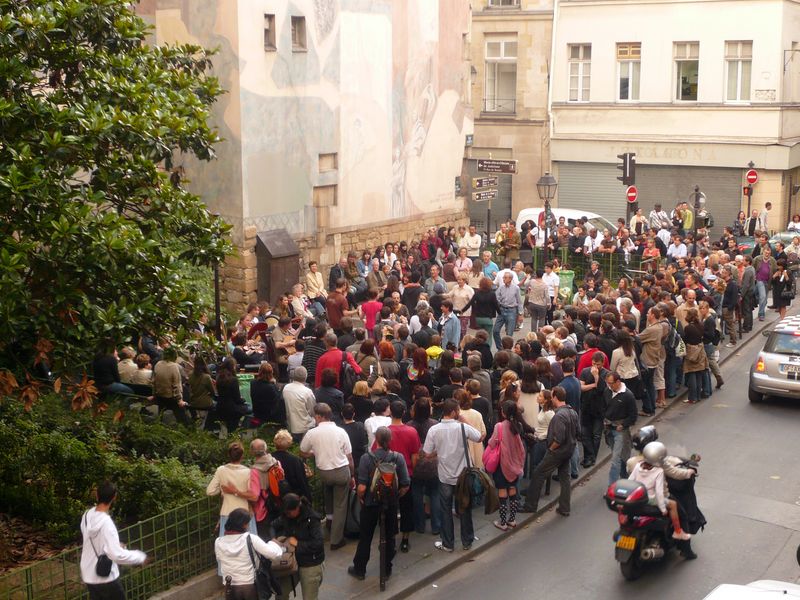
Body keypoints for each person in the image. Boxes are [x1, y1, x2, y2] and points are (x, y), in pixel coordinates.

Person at [347, 426, 410, 580]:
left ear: (376, 439)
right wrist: (396, 496)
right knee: (389, 537)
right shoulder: (398, 457)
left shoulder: (366, 458)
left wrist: (362, 498)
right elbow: (406, 484)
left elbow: (361, 487)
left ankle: (360, 569)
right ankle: (387, 569)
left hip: (370, 504)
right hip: (390, 504)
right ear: (390, 440)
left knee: (365, 537)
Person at [422, 398, 482, 552]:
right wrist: (464, 420)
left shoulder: (434, 430)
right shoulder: (463, 427)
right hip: (463, 476)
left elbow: (427, 454)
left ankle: (448, 543)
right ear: (455, 412)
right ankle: (467, 540)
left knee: (445, 509)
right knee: (465, 508)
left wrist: (439, 452)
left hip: (445, 476)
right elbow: (479, 436)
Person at [299, 403, 355, 550]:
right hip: (341, 471)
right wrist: (353, 475)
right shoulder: (341, 431)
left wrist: (314, 453)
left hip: (324, 472)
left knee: (328, 493)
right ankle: (336, 540)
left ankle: (329, 521)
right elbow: (349, 457)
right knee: (340, 505)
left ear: (319, 416)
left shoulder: (312, 433)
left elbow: (303, 451)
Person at [80, 481, 147, 600]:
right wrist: (139, 556)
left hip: (88, 573)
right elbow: (116, 555)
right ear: (114, 497)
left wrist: (113, 545)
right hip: (105, 577)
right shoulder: (107, 524)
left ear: (97, 495)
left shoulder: (86, 516)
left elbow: (91, 538)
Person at [520, 386, 578, 516]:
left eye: (552, 395)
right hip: (568, 451)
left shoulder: (558, 416)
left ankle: (530, 505)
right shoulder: (572, 412)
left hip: (557, 452)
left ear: (555, 397)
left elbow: (558, 439)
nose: (551, 398)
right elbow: (577, 432)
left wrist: (551, 449)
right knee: (565, 478)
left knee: (538, 473)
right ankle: (564, 507)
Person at [214, 508, 284, 599]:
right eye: (247, 523)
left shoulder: (219, 541)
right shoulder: (250, 538)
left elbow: (219, 559)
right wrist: (273, 544)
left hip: (229, 587)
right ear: (243, 525)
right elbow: (273, 554)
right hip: (249, 586)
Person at [628, 443, 691, 541]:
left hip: (639, 497)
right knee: (673, 504)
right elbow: (659, 492)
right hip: (651, 500)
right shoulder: (659, 471)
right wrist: (663, 509)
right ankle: (678, 532)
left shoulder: (637, 465)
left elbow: (630, 481)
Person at [272, 494, 325, 600]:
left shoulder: (312, 518)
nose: (287, 515)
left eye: (289, 512)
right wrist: (274, 540)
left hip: (310, 564)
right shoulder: (286, 516)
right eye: (285, 512)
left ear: (297, 507)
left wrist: (298, 544)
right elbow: (273, 525)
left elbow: (318, 544)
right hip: (292, 561)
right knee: (280, 593)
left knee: (309, 597)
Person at [207, 441, 259, 549]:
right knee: (247, 546)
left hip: (227, 512)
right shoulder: (248, 472)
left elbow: (210, 491)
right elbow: (253, 495)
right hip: (244, 512)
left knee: (227, 547)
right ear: (242, 456)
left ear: (229, 454)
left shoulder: (221, 470)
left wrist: (223, 489)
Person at [385, 401, 421, 553]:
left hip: (389, 475)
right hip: (407, 473)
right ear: (404, 412)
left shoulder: (385, 432)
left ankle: (391, 537)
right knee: (407, 507)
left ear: (390, 413)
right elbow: (415, 455)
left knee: (390, 507)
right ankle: (405, 539)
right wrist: (412, 470)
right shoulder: (411, 431)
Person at [487, 401, 526, 531]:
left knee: (502, 491)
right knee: (513, 488)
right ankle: (512, 520)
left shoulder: (499, 426)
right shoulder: (518, 425)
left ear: (503, 412)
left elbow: (492, 443)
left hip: (502, 464)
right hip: (515, 464)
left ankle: (502, 522)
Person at [603, 372, 637, 484]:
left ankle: (611, 487)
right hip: (609, 428)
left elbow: (633, 415)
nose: (609, 386)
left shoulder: (628, 396)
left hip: (620, 430)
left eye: (611, 383)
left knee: (615, 460)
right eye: (607, 383)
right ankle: (626, 479)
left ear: (618, 382)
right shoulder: (607, 391)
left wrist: (623, 425)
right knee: (620, 457)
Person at [248, 438, 282, 540]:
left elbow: (255, 496)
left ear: (252, 452)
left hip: (262, 510)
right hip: (278, 504)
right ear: (266, 449)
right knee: (278, 537)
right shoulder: (276, 463)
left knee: (265, 540)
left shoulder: (254, 471)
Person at [273, 430, 313, 501]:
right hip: (293, 497)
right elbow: (301, 481)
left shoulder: (270, 459)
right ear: (289, 443)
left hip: (274, 495)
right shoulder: (295, 460)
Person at [282, 366, 316, 443]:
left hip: (290, 424)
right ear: (305, 377)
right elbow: (313, 411)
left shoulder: (286, 388)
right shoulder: (307, 392)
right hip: (305, 427)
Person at [215, 357, 250, 432]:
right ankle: (243, 429)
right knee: (249, 407)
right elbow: (237, 399)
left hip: (220, 407)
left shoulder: (219, 378)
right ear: (232, 366)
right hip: (232, 409)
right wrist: (243, 400)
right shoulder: (233, 380)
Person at [493, 271, 523, 350]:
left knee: (509, 334)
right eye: (503, 277)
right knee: (495, 330)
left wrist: (520, 314)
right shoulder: (501, 287)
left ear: (510, 279)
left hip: (512, 311)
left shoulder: (516, 288)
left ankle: (507, 350)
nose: (503, 279)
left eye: (505, 278)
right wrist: (499, 303)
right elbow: (496, 297)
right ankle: (500, 348)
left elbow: (519, 301)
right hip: (502, 310)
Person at [753, 246, 776, 322]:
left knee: (764, 300)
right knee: (762, 297)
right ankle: (761, 314)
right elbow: (752, 267)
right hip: (759, 280)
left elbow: (775, 270)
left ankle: (757, 302)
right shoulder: (757, 259)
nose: (767, 254)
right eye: (766, 253)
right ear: (763, 252)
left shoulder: (772, 260)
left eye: (769, 253)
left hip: (767, 282)